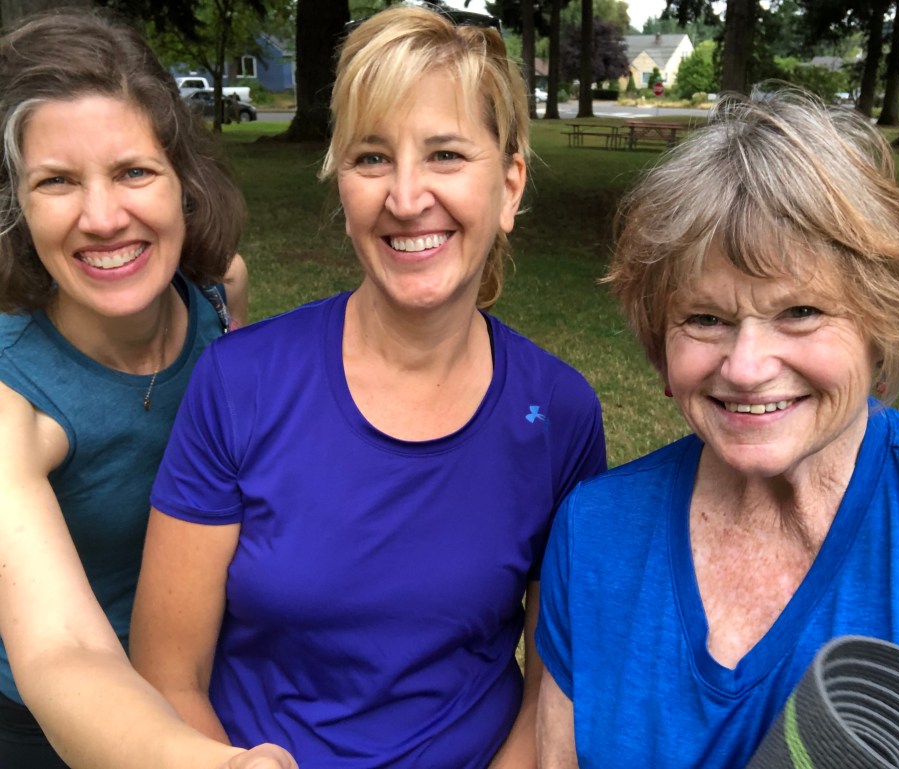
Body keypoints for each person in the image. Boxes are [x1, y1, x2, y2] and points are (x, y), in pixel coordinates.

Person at [130, 5, 606, 768]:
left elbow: (551, 694)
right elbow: (167, 673)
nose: (406, 196)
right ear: (342, 183)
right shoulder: (241, 383)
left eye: (447, 154)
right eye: (372, 158)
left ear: (509, 185)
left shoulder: (561, 416)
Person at [535, 89, 899, 767]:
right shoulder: (595, 532)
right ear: (661, 343)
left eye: (799, 310)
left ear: (883, 325)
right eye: (705, 318)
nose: (747, 366)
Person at [0, 10, 296, 769]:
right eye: (58, 181)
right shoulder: (12, 400)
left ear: (182, 182)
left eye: (133, 171)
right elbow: (63, 649)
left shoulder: (219, 294)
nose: (103, 218)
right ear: (17, 208)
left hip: (211, 677)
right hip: (49, 728)